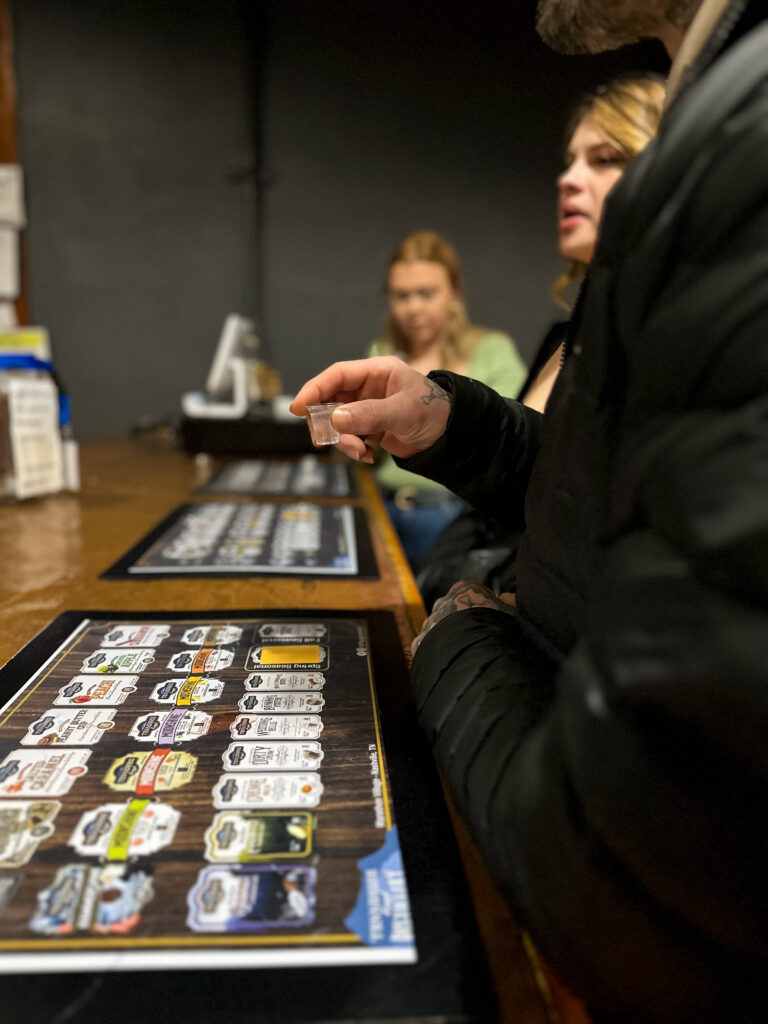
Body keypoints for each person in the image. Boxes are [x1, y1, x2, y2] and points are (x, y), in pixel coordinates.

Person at [291, 0, 768, 1019]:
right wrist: (452, 424)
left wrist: (456, 639)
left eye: (606, 159)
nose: (574, 178)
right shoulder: (716, 129)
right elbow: (609, 505)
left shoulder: (745, 133)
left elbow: (639, 872)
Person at [417, 74, 665, 608]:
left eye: (604, 159)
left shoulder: (665, 338)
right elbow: (502, 495)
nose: (567, 180)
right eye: (570, 160)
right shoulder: (565, 333)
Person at [367, 229, 527, 570]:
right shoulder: (382, 354)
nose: (413, 307)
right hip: (382, 509)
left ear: (454, 292)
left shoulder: (492, 351)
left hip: (451, 517)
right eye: (401, 295)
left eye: (426, 294)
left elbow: (513, 447)